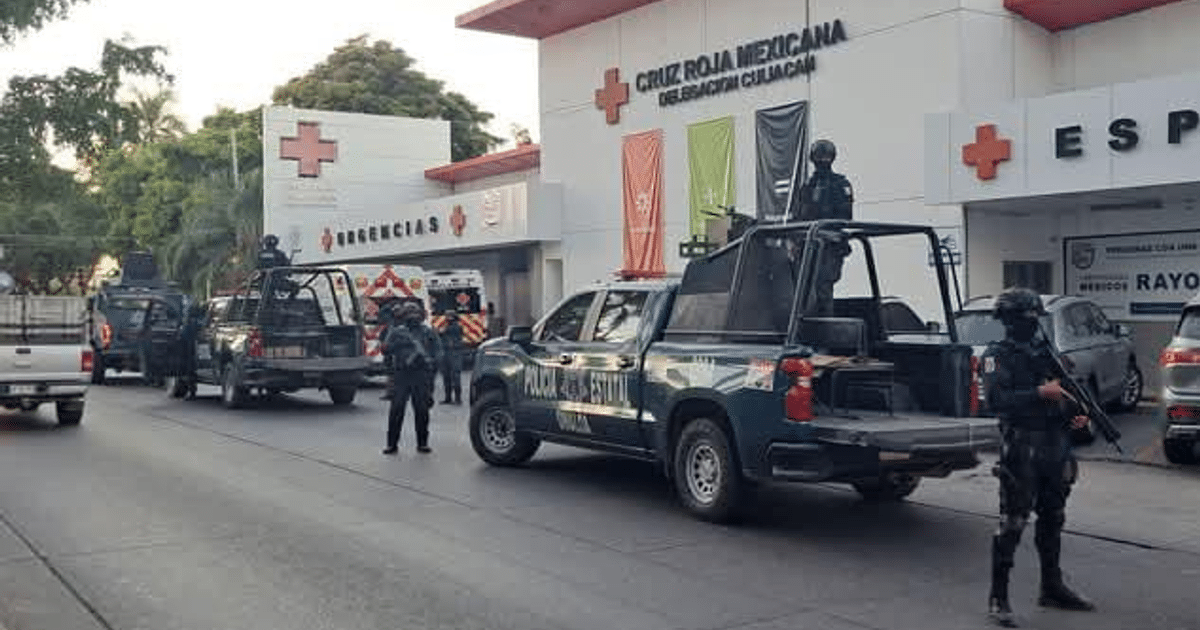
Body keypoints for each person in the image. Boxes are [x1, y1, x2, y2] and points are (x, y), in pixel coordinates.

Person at [983, 287, 1096, 627]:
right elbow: (996, 400)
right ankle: (998, 598)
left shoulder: (1047, 352)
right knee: (1013, 522)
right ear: (1009, 320)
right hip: (1022, 446)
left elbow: (1066, 393)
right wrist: (1038, 392)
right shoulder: (997, 355)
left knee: (1053, 517)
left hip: (1055, 443)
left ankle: (1052, 586)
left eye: (1035, 319)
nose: (1032, 325)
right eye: (1026, 319)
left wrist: (1076, 415)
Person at [382, 301, 442, 455]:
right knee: (396, 410)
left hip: (421, 375)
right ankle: (392, 444)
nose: (412, 317)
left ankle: (422, 443)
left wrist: (431, 365)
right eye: (409, 315)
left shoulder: (428, 332)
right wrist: (393, 334)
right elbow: (386, 349)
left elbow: (439, 352)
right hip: (402, 374)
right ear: (404, 317)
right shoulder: (397, 332)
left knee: (422, 411)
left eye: (415, 314)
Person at [439, 311, 464, 405]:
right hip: (447, 352)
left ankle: (457, 399)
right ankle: (448, 398)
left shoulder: (455, 326)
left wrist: (441, 331)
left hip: (454, 353)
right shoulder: (448, 326)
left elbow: (445, 332)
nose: (446, 318)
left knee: (455, 376)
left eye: (448, 316)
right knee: (446, 376)